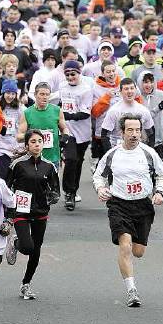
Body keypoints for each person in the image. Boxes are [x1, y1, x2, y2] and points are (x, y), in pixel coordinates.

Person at [93, 115, 163, 307]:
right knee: (125, 246)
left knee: (138, 251)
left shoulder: (148, 153)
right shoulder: (112, 154)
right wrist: (101, 189)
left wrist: (159, 192)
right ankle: (132, 290)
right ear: (122, 132)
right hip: (118, 204)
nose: (135, 134)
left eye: (137, 130)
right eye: (130, 130)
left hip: (143, 205)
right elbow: (99, 176)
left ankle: (133, 274)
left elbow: (162, 175)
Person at [4, 129, 61, 299]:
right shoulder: (18, 165)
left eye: (39, 141)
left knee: (36, 250)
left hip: (40, 212)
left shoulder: (49, 166)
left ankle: (26, 284)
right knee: (27, 248)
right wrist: (9, 211)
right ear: (27, 144)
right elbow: (7, 189)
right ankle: (16, 242)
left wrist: (50, 199)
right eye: (33, 142)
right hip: (21, 211)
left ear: (43, 144)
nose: (37, 145)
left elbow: (55, 191)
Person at [58, 60, 93, 211]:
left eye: (73, 74)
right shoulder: (62, 86)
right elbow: (59, 102)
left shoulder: (85, 89)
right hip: (68, 130)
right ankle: (68, 192)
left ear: (79, 73)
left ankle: (73, 190)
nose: (70, 77)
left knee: (78, 162)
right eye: (67, 74)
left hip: (83, 132)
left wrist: (64, 114)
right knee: (70, 159)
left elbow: (85, 113)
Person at [16, 82, 71, 167]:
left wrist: (65, 136)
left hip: (53, 158)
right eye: (41, 94)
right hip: (34, 159)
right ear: (35, 95)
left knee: (53, 180)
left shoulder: (57, 110)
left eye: (47, 94)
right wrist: (34, 136)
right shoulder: (27, 113)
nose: (44, 97)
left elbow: (64, 128)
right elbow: (19, 137)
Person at [100, 78, 155, 154]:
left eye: (132, 88)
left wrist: (149, 153)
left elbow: (151, 133)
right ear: (120, 92)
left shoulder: (143, 110)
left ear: (136, 90)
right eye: (126, 89)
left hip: (137, 151)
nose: (129, 91)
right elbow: (104, 135)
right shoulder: (114, 111)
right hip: (118, 151)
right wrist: (110, 154)